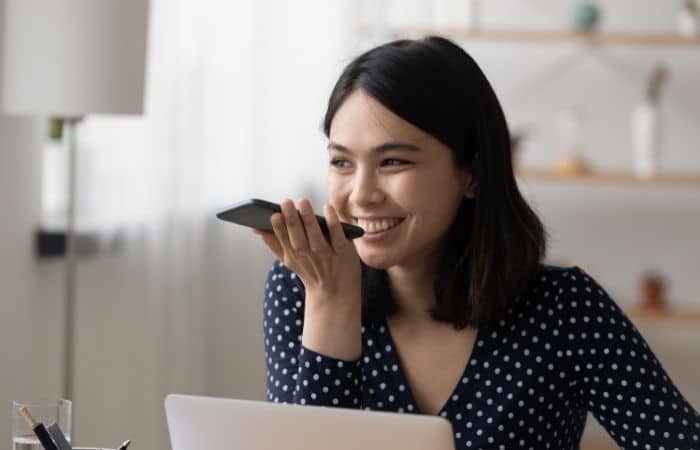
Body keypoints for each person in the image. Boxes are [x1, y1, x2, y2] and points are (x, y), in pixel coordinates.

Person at [251, 36, 699, 449]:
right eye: (341, 163)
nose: (361, 194)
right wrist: (331, 301)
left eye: (392, 161)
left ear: (472, 171)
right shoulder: (302, 289)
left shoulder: (565, 310)